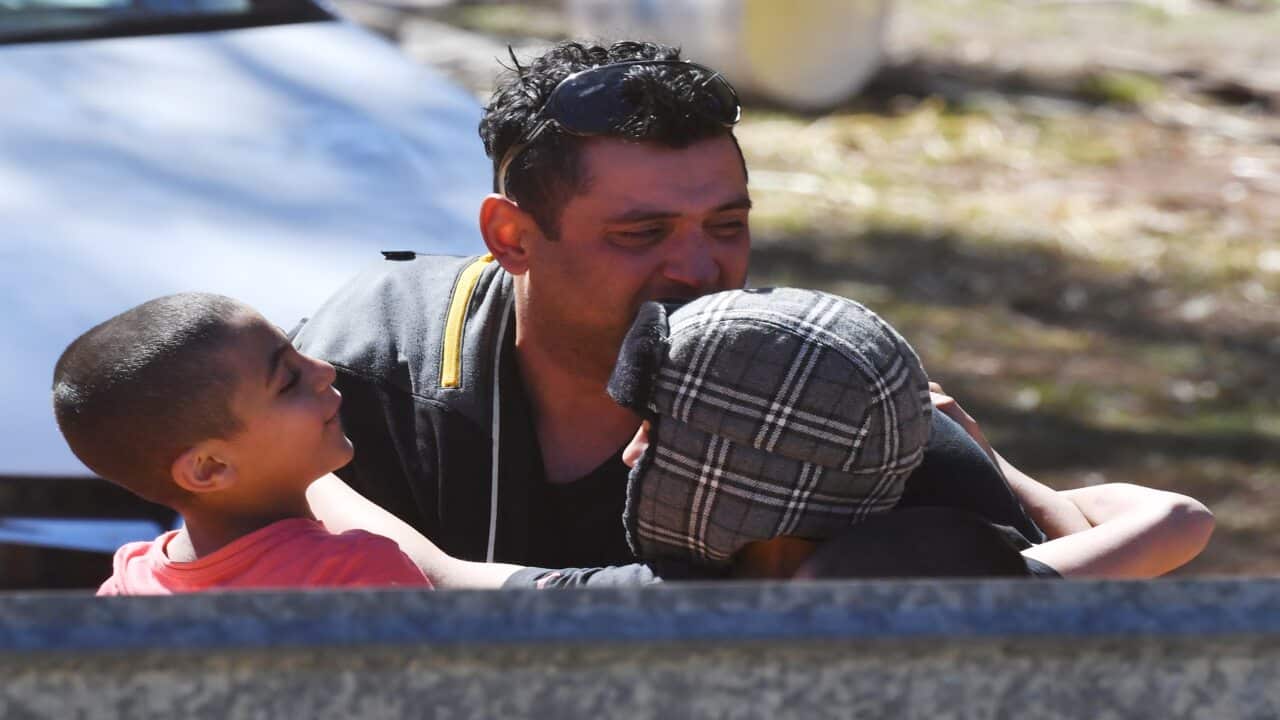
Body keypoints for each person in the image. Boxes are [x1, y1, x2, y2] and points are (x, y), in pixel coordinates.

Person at [291, 41, 1174, 587]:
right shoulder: (364, 364)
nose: (700, 269)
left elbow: (1040, 608)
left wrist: (1000, 471)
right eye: (641, 234)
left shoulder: (825, 393)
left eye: (727, 225)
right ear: (512, 236)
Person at [609, 289, 1215, 580]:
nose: (631, 454)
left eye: (655, 433)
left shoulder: (654, 603)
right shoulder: (951, 594)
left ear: (744, 478)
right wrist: (987, 456)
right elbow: (1176, 519)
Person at [51, 293, 439, 595]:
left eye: (298, 352)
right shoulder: (358, 574)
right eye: (288, 381)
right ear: (210, 467)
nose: (324, 371)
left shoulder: (125, 590)